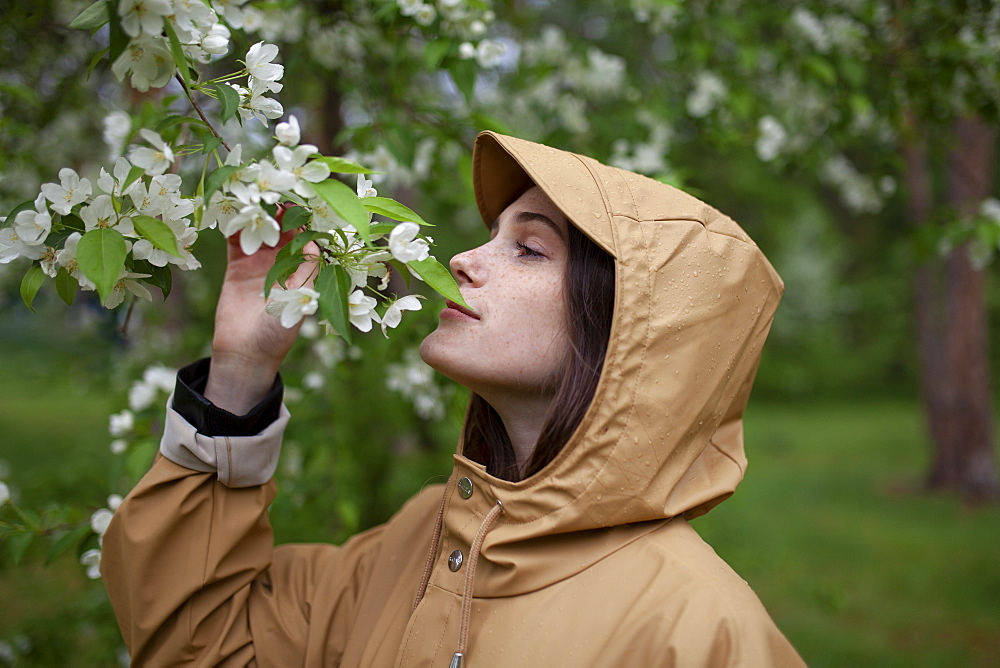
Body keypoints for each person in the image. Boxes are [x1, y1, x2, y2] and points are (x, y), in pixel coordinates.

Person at [101, 131, 805, 666]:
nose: (464, 259)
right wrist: (241, 367)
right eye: (492, 235)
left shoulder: (699, 629)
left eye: (529, 249)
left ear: (633, 329)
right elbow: (200, 645)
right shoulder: (426, 538)